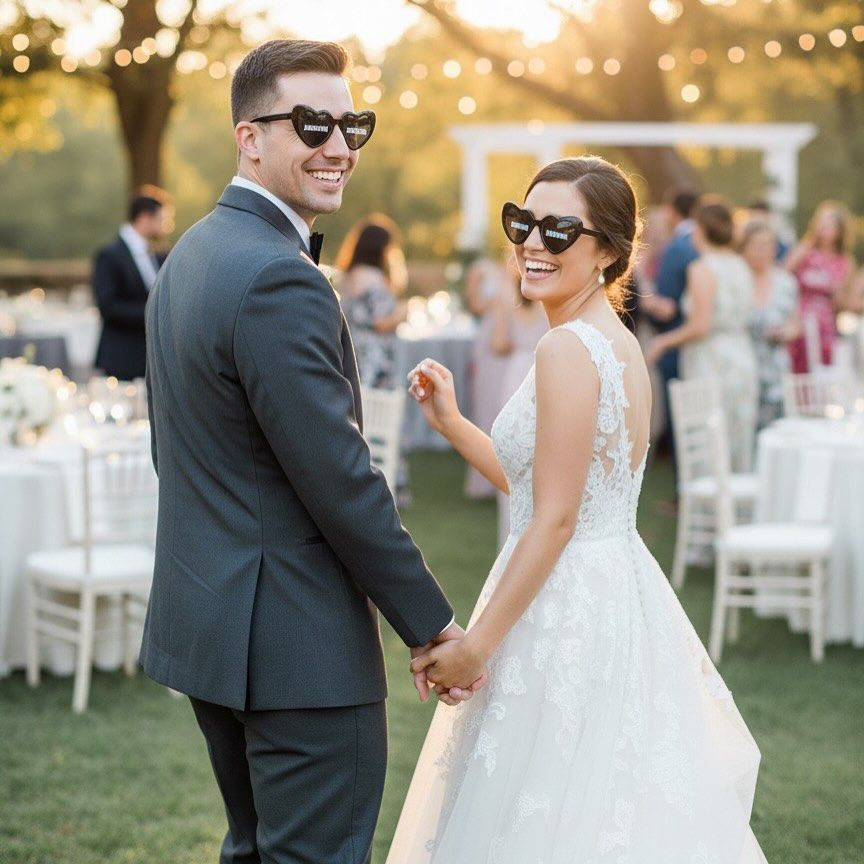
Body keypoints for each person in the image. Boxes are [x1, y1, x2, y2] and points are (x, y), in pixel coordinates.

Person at [141, 39, 480, 864]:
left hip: (214, 628)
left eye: (351, 123)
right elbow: (340, 479)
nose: (339, 145)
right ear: (249, 137)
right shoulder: (275, 277)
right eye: (312, 123)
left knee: (255, 850)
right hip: (297, 648)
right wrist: (432, 625)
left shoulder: (193, 251)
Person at [392, 157, 767, 863]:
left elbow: (556, 518)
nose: (533, 243)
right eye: (523, 222)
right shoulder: (614, 343)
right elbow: (544, 485)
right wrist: (452, 424)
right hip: (610, 591)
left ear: (607, 251)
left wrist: (477, 645)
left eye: (559, 229)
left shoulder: (567, 347)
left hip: (560, 597)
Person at [647, 196, 758, 472]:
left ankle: (711, 507)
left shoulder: (702, 268)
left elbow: (700, 325)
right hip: (743, 356)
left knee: (709, 438)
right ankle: (735, 508)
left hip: (711, 361)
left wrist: (663, 341)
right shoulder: (741, 265)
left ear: (700, 229)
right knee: (737, 436)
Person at [639, 185, 700, 458]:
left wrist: (648, 299)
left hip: (672, 337)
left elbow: (667, 304)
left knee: (677, 411)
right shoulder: (694, 244)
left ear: (672, 211)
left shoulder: (677, 247)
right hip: (686, 337)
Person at [490, 268, 548, 547]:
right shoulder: (551, 296)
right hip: (546, 369)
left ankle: (511, 539)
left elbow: (498, 343)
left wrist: (520, 345)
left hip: (516, 372)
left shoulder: (507, 297)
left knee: (511, 452)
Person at [93, 187, 171, 380]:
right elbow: (108, 306)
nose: (168, 226)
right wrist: (154, 312)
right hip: (121, 357)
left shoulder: (160, 254)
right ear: (144, 218)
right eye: (163, 219)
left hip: (151, 359)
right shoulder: (109, 255)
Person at [335, 214, 408, 389]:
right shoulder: (373, 278)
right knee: (378, 413)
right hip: (374, 359)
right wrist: (402, 312)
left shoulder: (348, 276)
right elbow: (380, 322)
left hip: (353, 355)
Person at [740, 220, 800, 428]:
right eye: (756, 245)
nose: (761, 251)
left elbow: (796, 324)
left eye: (767, 245)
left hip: (775, 370)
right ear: (744, 247)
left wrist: (784, 333)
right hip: (744, 369)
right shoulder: (738, 280)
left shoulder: (786, 282)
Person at [786, 201, 856, 372]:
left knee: (822, 368)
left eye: (829, 224)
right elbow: (784, 274)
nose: (824, 228)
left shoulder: (845, 261)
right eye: (821, 223)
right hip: (799, 316)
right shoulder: (806, 250)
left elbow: (844, 303)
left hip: (825, 322)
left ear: (839, 230)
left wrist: (836, 292)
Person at [464, 255, 512, 499]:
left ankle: (504, 475)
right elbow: (474, 306)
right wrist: (497, 301)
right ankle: (483, 479)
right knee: (485, 407)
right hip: (488, 344)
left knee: (502, 405)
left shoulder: (520, 268)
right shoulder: (480, 268)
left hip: (509, 344)